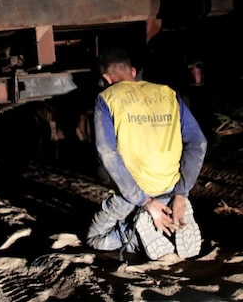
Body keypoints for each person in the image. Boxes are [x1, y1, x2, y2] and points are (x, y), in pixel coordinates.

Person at [86, 46, 208, 261]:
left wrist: (144, 201)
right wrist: (182, 193)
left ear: (106, 77)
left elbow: (107, 151)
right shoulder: (168, 93)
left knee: (96, 239)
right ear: (133, 72)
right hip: (170, 189)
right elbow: (198, 142)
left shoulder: (106, 98)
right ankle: (164, 221)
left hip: (135, 194)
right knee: (153, 208)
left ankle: (137, 235)